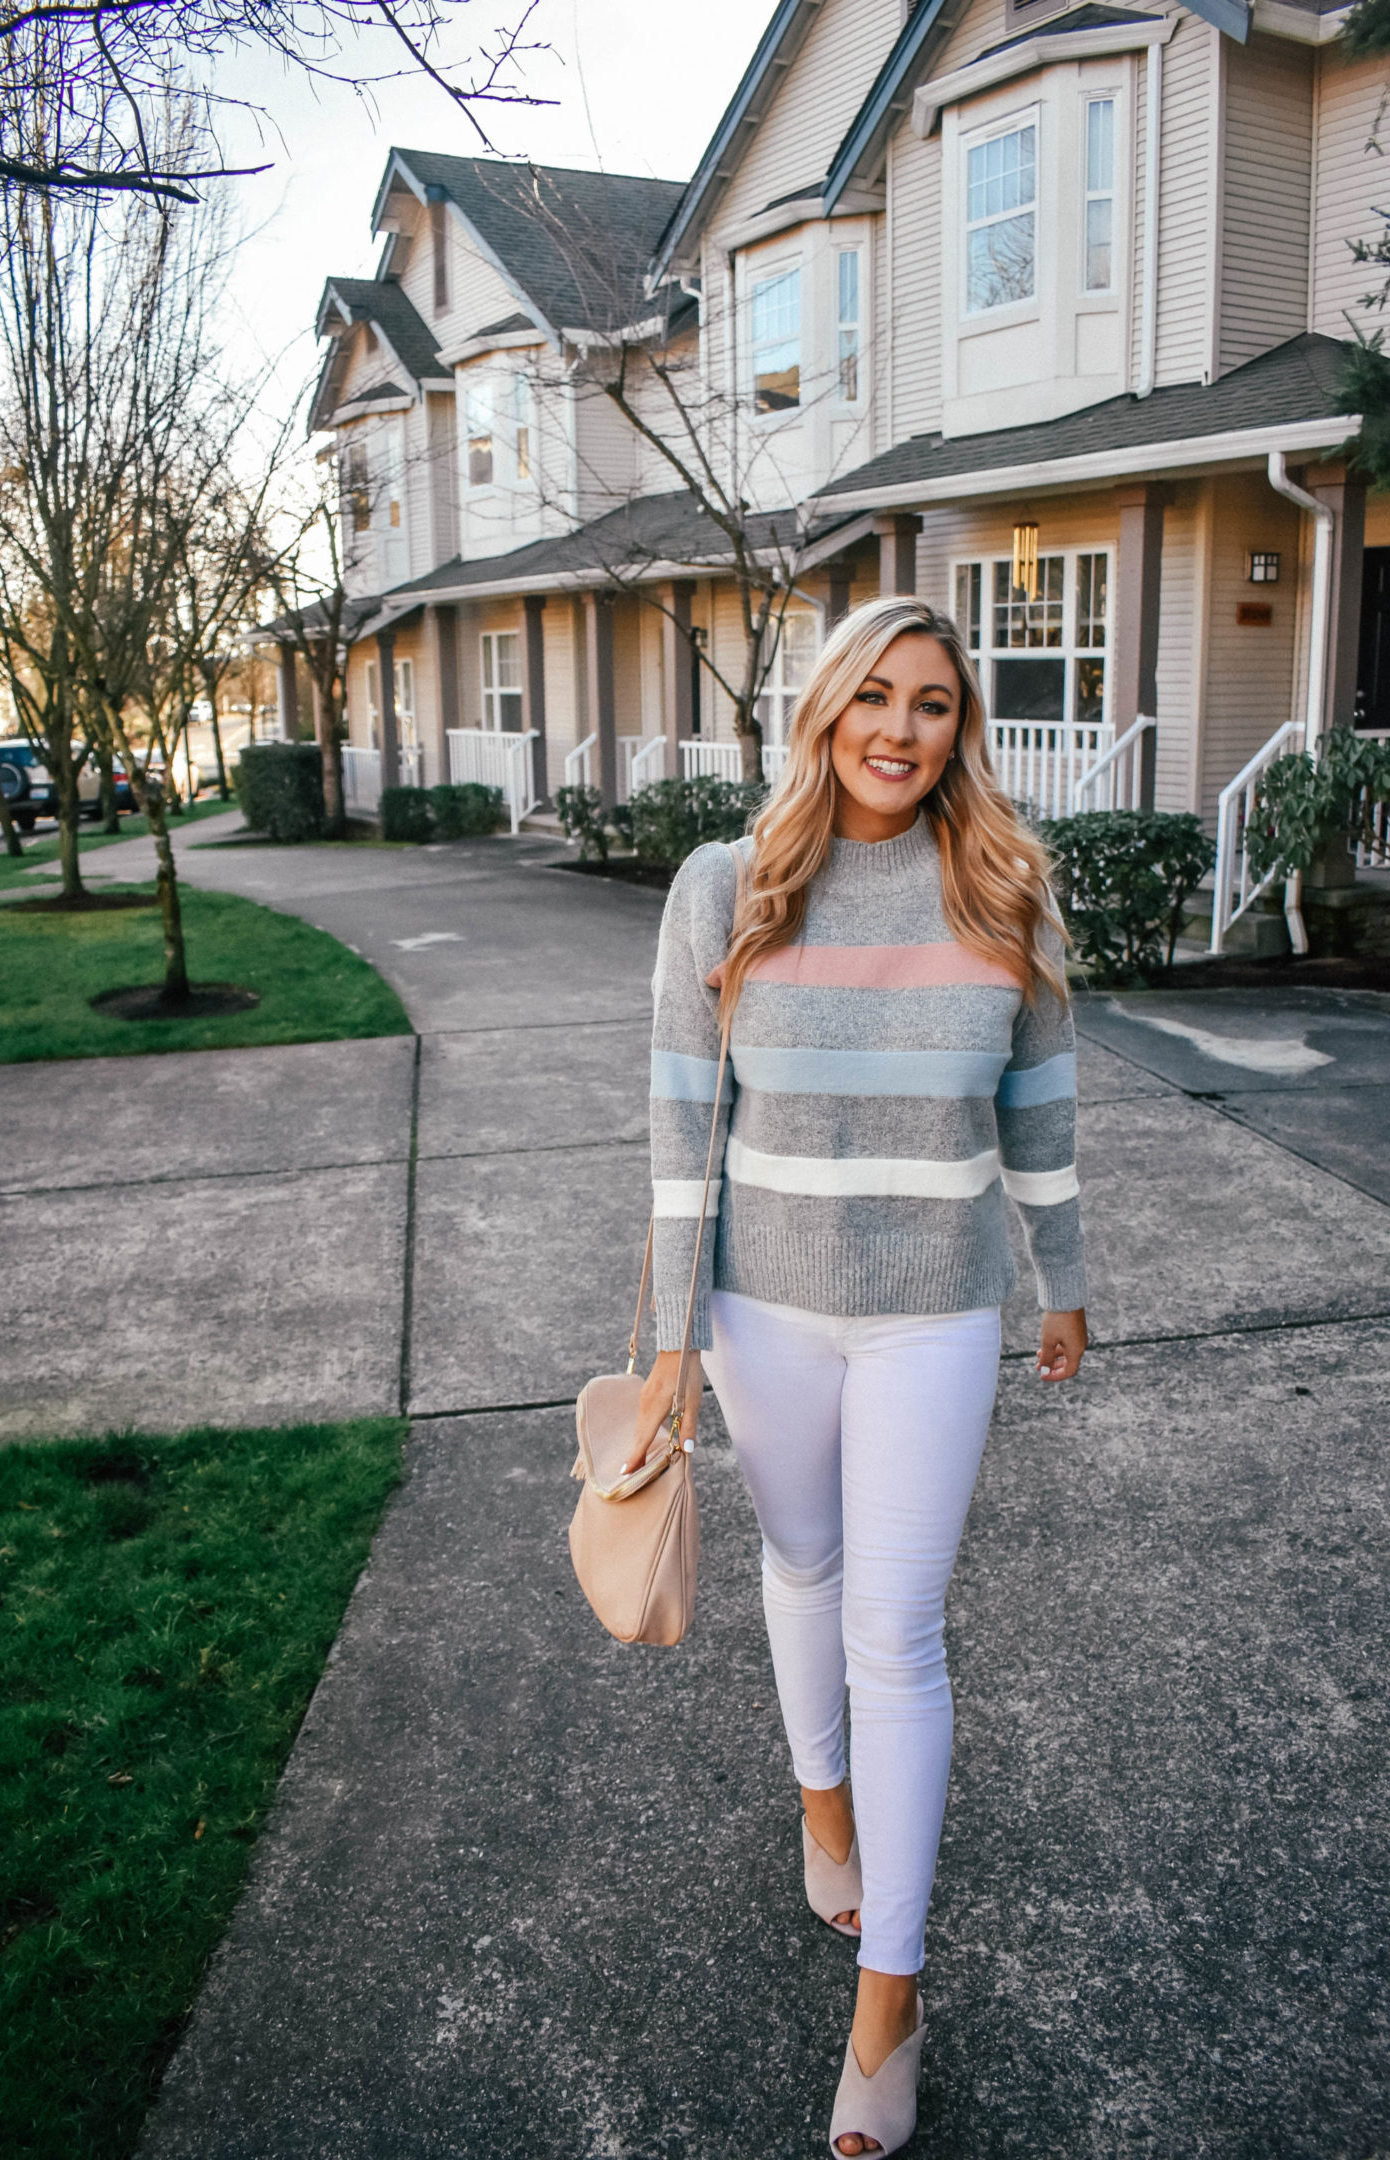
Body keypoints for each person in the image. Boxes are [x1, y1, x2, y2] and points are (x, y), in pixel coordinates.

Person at [627, 596, 1088, 2155]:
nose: (902, 729)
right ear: (825, 709)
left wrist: (1064, 1281)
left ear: (965, 727)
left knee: (898, 1628)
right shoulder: (728, 885)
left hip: (934, 1315)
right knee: (800, 1561)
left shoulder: (1003, 887)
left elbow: (1039, 1108)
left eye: (936, 704)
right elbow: (685, 1121)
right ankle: (819, 1802)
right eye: (875, 697)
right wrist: (675, 1330)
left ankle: (890, 2000)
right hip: (766, 1308)